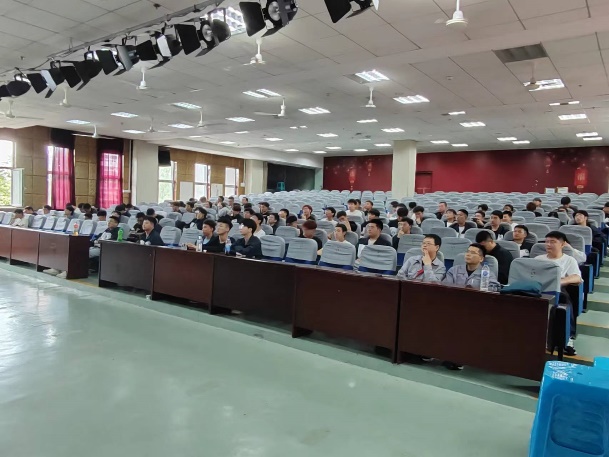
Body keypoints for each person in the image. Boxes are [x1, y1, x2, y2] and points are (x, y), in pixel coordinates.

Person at [537, 231, 582, 355]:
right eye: (546, 242)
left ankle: (568, 338)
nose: (548, 244)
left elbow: (577, 278)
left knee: (563, 299)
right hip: (538, 288)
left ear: (562, 244)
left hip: (558, 289)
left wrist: (559, 281)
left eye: (553, 242)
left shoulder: (569, 260)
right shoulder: (538, 259)